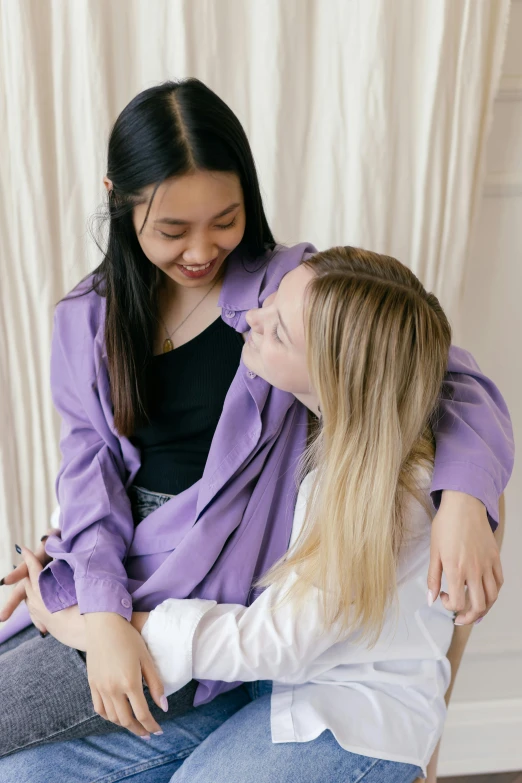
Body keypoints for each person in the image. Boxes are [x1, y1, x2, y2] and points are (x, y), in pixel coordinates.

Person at [0, 79, 513, 758]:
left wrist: (467, 499)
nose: (200, 250)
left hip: (212, 596)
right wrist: (96, 607)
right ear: (118, 202)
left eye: (226, 218)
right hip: (115, 567)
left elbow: (439, 369)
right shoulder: (85, 318)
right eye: (171, 230)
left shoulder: (289, 291)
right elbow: (88, 477)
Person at [5, 247, 488, 782]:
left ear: (334, 377)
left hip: (352, 712)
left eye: (278, 331)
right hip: (254, 684)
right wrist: (71, 547)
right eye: (271, 303)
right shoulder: (293, 418)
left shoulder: (394, 494)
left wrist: (100, 626)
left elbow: (274, 642)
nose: (251, 317)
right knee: (31, 773)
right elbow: (158, 476)